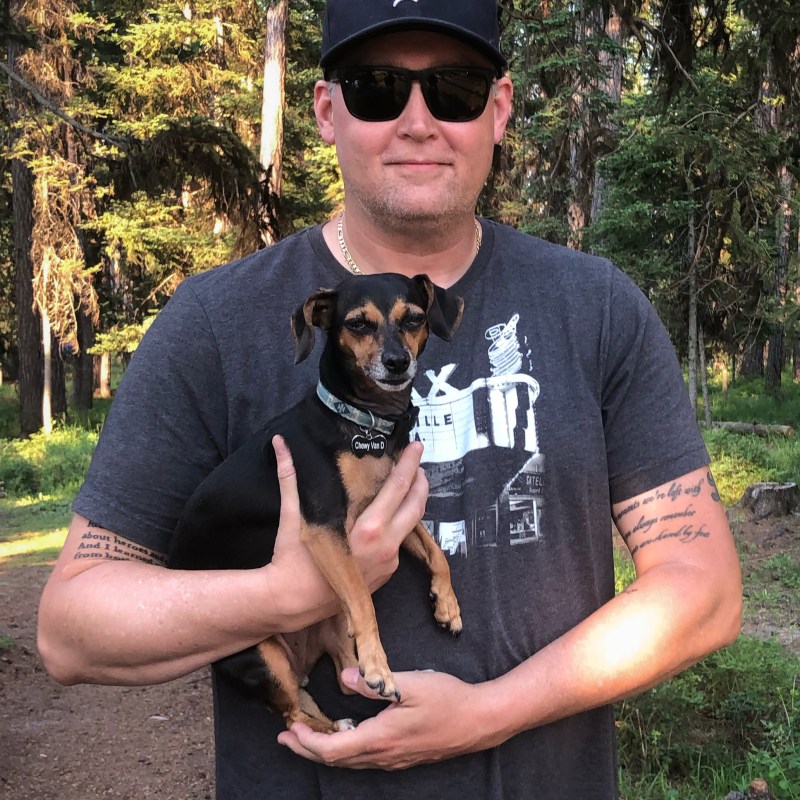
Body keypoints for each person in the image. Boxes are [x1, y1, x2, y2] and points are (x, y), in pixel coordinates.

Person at [37, 1, 742, 798]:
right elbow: (73, 631)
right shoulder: (212, 323)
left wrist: (488, 713)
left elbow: (705, 592)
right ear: (327, 110)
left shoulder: (597, 306)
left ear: (499, 109)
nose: (417, 120)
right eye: (377, 88)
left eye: (456, 88)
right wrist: (291, 589)